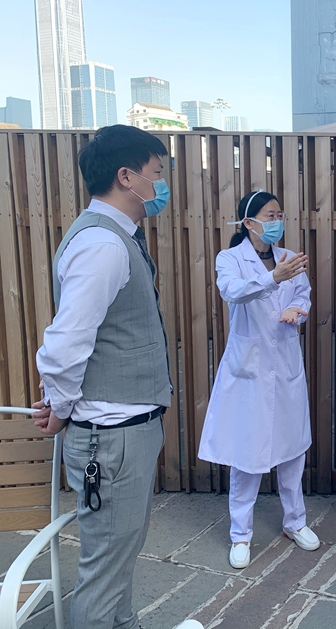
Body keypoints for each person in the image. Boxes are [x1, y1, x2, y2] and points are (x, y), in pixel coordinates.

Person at [32, 124, 173, 629]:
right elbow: (65, 343)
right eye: (158, 172)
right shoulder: (103, 245)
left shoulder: (113, 238)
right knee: (104, 569)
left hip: (119, 432)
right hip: (111, 438)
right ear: (126, 176)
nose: (162, 183)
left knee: (117, 557)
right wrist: (60, 406)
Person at [198, 190, 319, 570]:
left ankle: (295, 522)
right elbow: (232, 292)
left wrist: (297, 309)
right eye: (270, 215)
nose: (277, 221)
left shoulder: (289, 256)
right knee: (246, 455)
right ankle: (240, 534)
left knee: (292, 450)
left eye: (280, 214)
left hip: (285, 364)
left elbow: (304, 294)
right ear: (248, 222)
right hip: (249, 368)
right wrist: (272, 278)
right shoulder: (229, 259)